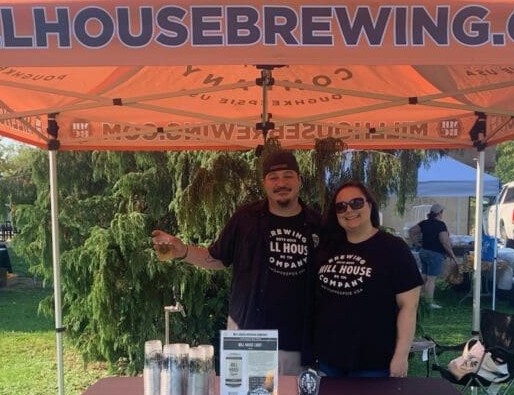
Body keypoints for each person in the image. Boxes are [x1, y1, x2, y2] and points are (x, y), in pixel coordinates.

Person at [151, 150, 323, 376]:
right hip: (246, 337)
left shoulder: (317, 224)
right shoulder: (245, 219)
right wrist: (183, 251)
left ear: (299, 180)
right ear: (264, 183)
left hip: (296, 344)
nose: (281, 182)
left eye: (288, 175)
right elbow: (216, 258)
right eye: (274, 177)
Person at [312, 182, 422, 378]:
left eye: (356, 203)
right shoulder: (327, 248)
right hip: (329, 359)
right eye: (341, 206)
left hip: (374, 362)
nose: (349, 210)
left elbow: (409, 306)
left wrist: (401, 355)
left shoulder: (394, 248)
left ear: (370, 206)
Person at [411, 204, 458, 309]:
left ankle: (417, 299)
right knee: (431, 279)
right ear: (439, 213)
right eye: (442, 212)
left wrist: (416, 243)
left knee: (424, 276)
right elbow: (445, 242)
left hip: (424, 252)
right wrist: (452, 254)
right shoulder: (441, 225)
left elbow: (412, 231)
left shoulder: (424, 223)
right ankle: (428, 303)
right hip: (435, 254)